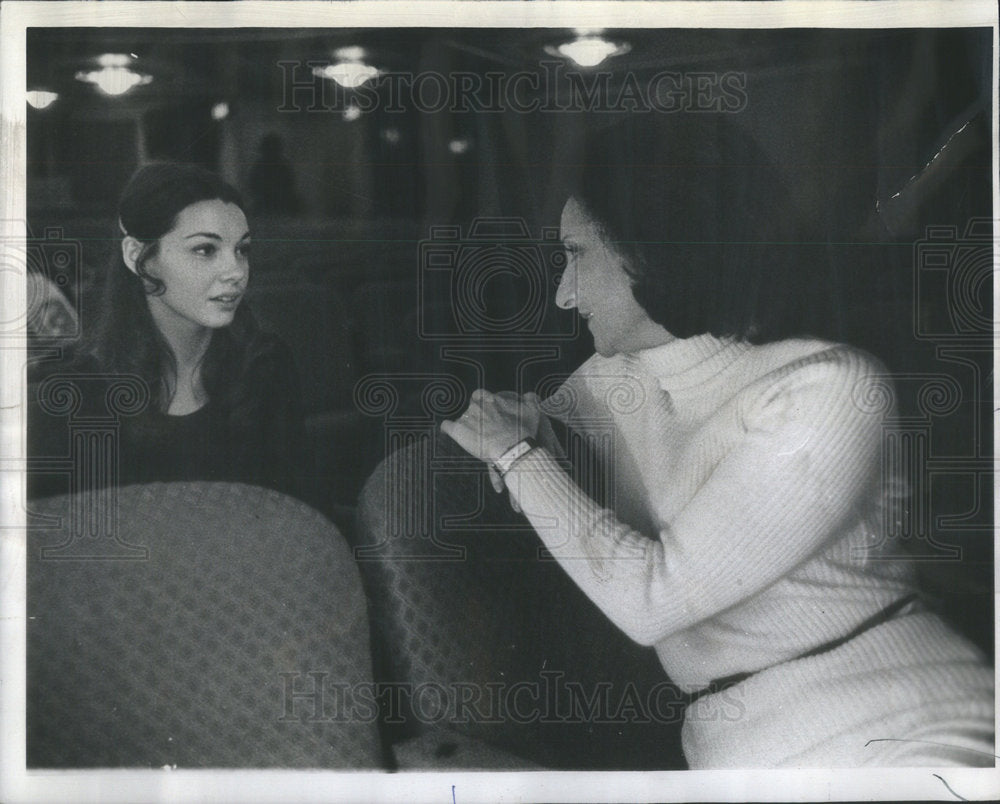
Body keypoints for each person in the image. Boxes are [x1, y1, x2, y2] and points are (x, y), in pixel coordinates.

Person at [441, 116, 994, 768]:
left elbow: (654, 599)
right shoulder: (612, 379)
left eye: (576, 255)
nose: (564, 294)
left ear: (648, 245)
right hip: (733, 746)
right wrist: (522, 444)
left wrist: (519, 459)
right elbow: (496, 447)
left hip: (902, 723)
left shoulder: (828, 388)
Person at [28, 162, 309, 501]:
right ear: (138, 257)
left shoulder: (265, 363)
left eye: (242, 250)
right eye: (205, 250)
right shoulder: (75, 397)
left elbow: (296, 517)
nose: (236, 271)